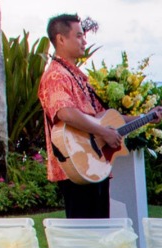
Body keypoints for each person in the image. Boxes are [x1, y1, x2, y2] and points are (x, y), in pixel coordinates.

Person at [38, 15, 119, 219]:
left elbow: (102, 116)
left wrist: (144, 117)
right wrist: (102, 132)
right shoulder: (56, 76)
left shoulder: (77, 76)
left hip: (93, 163)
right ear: (61, 39)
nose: (84, 41)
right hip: (74, 165)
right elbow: (64, 112)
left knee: (100, 235)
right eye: (79, 36)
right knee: (85, 238)